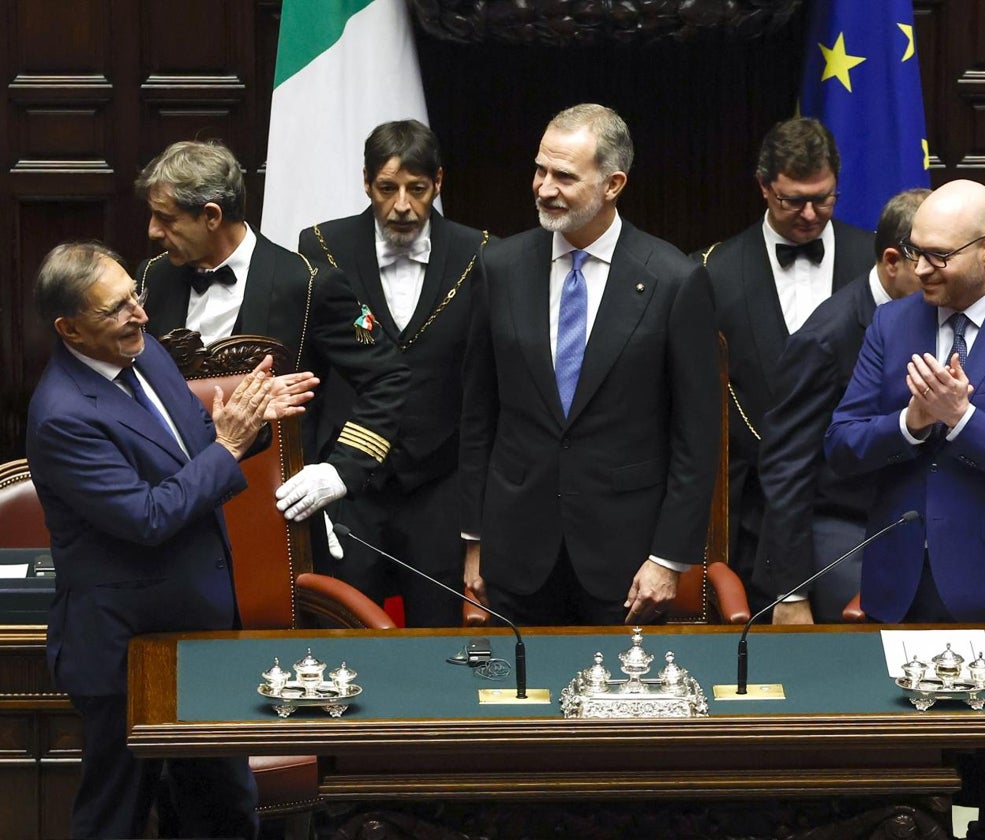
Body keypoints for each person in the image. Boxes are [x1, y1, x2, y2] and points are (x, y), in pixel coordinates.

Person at [26, 241, 317, 839]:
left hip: (198, 635)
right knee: (117, 817)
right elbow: (149, 515)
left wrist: (250, 429)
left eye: (135, 294)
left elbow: (193, 442)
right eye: (116, 309)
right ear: (70, 329)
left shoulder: (149, 354)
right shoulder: (62, 416)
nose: (140, 313)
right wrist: (230, 445)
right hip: (125, 652)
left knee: (223, 811)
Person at [825, 179, 985, 835]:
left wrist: (963, 419)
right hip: (905, 588)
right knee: (908, 788)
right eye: (915, 252)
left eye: (938, 256)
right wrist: (911, 422)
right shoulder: (892, 322)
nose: (919, 269)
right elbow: (843, 446)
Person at [460, 103, 720, 626]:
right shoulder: (500, 268)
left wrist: (668, 558)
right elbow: (477, 415)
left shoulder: (674, 280)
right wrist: (473, 542)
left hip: (625, 561)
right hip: (515, 553)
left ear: (613, 184)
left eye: (564, 176)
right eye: (540, 169)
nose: (543, 187)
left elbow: (697, 437)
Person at [132, 140, 410, 570]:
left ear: (211, 216)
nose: (152, 230)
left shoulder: (309, 283)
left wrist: (341, 471)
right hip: (171, 504)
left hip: (270, 508)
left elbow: (388, 377)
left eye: (165, 219)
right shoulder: (153, 276)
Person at [296, 120, 487, 626]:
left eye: (417, 189)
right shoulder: (321, 246)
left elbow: (485, 383)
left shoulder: (481, 254)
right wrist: (313, 465)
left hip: (439, 489)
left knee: (440, 646)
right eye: (387, 189)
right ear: (365, 183)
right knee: (343, 640)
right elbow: (307, 373)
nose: (402, 205)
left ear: (438, 183)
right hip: (350, 489)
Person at [699, 117, 875, 611]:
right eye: (792, 200)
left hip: (860, 513)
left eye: (824, 198)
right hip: (753, 521)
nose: (809, 213)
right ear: (762, 186)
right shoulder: (712, 272)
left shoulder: (879, 264)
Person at [755, 188, 930, 624]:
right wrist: (790, 592)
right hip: (846, 529)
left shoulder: (941, 317)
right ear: (893, 262)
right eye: (927, 261)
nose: (939, 273)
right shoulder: (826, 337)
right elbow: (787, 466)